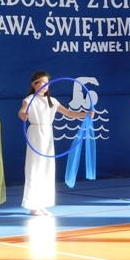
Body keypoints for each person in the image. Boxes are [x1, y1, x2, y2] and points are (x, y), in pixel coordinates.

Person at [18, 71, 92, 216]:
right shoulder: (30, 99)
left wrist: (86, 114)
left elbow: (69, 113)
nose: (45, 85)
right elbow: (21, 111)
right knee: (35, 168)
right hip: (36, 134)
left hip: (48, 134)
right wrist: (23, 115)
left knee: (47, 168)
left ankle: (42, 203)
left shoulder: (52, 101)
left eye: (47, 83)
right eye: (41, 82)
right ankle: (33, 205)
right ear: (34, 84)